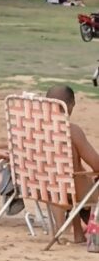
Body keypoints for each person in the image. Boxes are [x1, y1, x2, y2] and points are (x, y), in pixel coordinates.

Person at [46, 85, 99, 243]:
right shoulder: (71, 131)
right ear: (71, 105)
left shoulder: (35, 131)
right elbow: (96, 165)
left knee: (65, 174)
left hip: (48, 189)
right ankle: (84, 227)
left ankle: (73, 231)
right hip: (78, 192)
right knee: (75, 176)